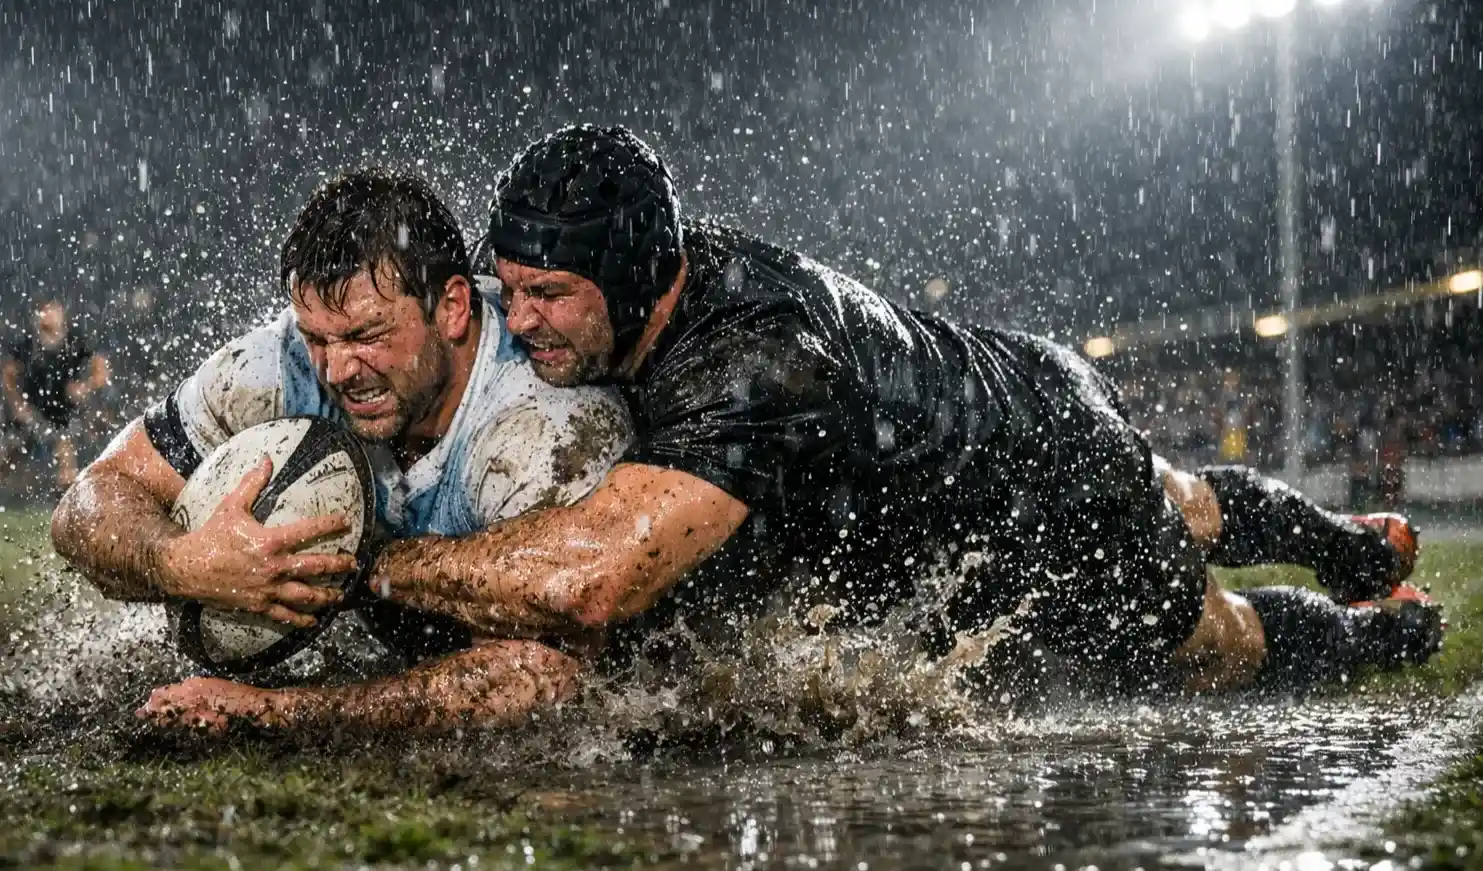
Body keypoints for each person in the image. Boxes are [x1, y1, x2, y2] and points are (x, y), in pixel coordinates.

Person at [130, 127, 1442, 731]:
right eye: (508, 287)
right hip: (1003, 390)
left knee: (1200, 639)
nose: (518, 321)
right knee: (1190, 495)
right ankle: (1347, 536)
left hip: (1033, 492)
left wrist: (347, 561)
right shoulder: (648, 278)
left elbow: (594, 578)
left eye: (546, 297)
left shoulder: (756, 365)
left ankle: (1384, 624)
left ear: (639, 281)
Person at [51, 169, 633, 731]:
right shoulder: (276, 366)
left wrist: (275, 711)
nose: (337, 369)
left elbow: (541, 675)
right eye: (317, 337)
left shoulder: (544, 429)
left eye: (365, 335)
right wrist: (180, 562)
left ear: (452, 308)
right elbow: (91, 501)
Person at [3, 298, 111, 491]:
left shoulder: (75, 341)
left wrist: (84, 387)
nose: (49, 316)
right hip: (32, 407)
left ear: (62, 314)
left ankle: (65, 507)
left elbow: (101, 370)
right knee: (9, 456)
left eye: (53, 310)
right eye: (44, 311)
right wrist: (18, 404)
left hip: (63, 410)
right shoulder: (28, 343)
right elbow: (9, 375)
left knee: (66, 463)